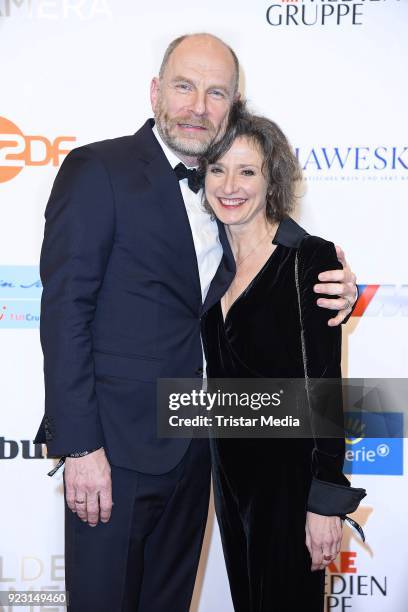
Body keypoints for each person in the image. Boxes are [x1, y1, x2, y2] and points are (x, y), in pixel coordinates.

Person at [33, 34, 358, 611]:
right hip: (114, 458)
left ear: (232, 105)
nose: (198, 106)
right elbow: (65, 312)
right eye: (185, 86)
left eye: (216, 93)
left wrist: (331, 275)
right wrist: (79, 446)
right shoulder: (98, 169)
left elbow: (268, 248)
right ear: (157, 91)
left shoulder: (219, 194)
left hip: (200, 457)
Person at [200, 101, 366, 612]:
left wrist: (325, 499)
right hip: (228, 474)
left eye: (247, 170)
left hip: (289, 479)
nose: (230, 184)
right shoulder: (207, 260)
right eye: (218, 169)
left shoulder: (308, 258)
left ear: (272, 178)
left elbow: (324, 385)